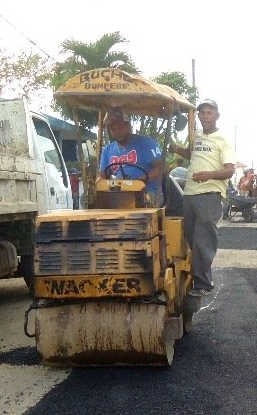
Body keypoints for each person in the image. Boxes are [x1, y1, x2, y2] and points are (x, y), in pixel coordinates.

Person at [171, 99, 236, 296]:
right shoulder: (195, 135)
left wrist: (208, 175)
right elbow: (191, 155)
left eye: (209, 112)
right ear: (197, 116)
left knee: (203, 241)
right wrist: (175, 149)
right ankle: (194, 276)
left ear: (216, 116)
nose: (205, 116)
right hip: (189, 193)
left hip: (209, 195)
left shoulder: (222, 140)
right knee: (190, 239)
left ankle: (203, 283)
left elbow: (229, 171)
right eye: (202, 113)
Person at [98, 108, 164, 206]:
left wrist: (139, 181)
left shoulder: (145, 143)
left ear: (127, 125)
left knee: (137, 204)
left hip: (146, 193)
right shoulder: (107, 150)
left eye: (119, 127)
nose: (117, 131)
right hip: (118, 194)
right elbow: (102, 176)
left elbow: (161, 167)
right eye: (113, 128)